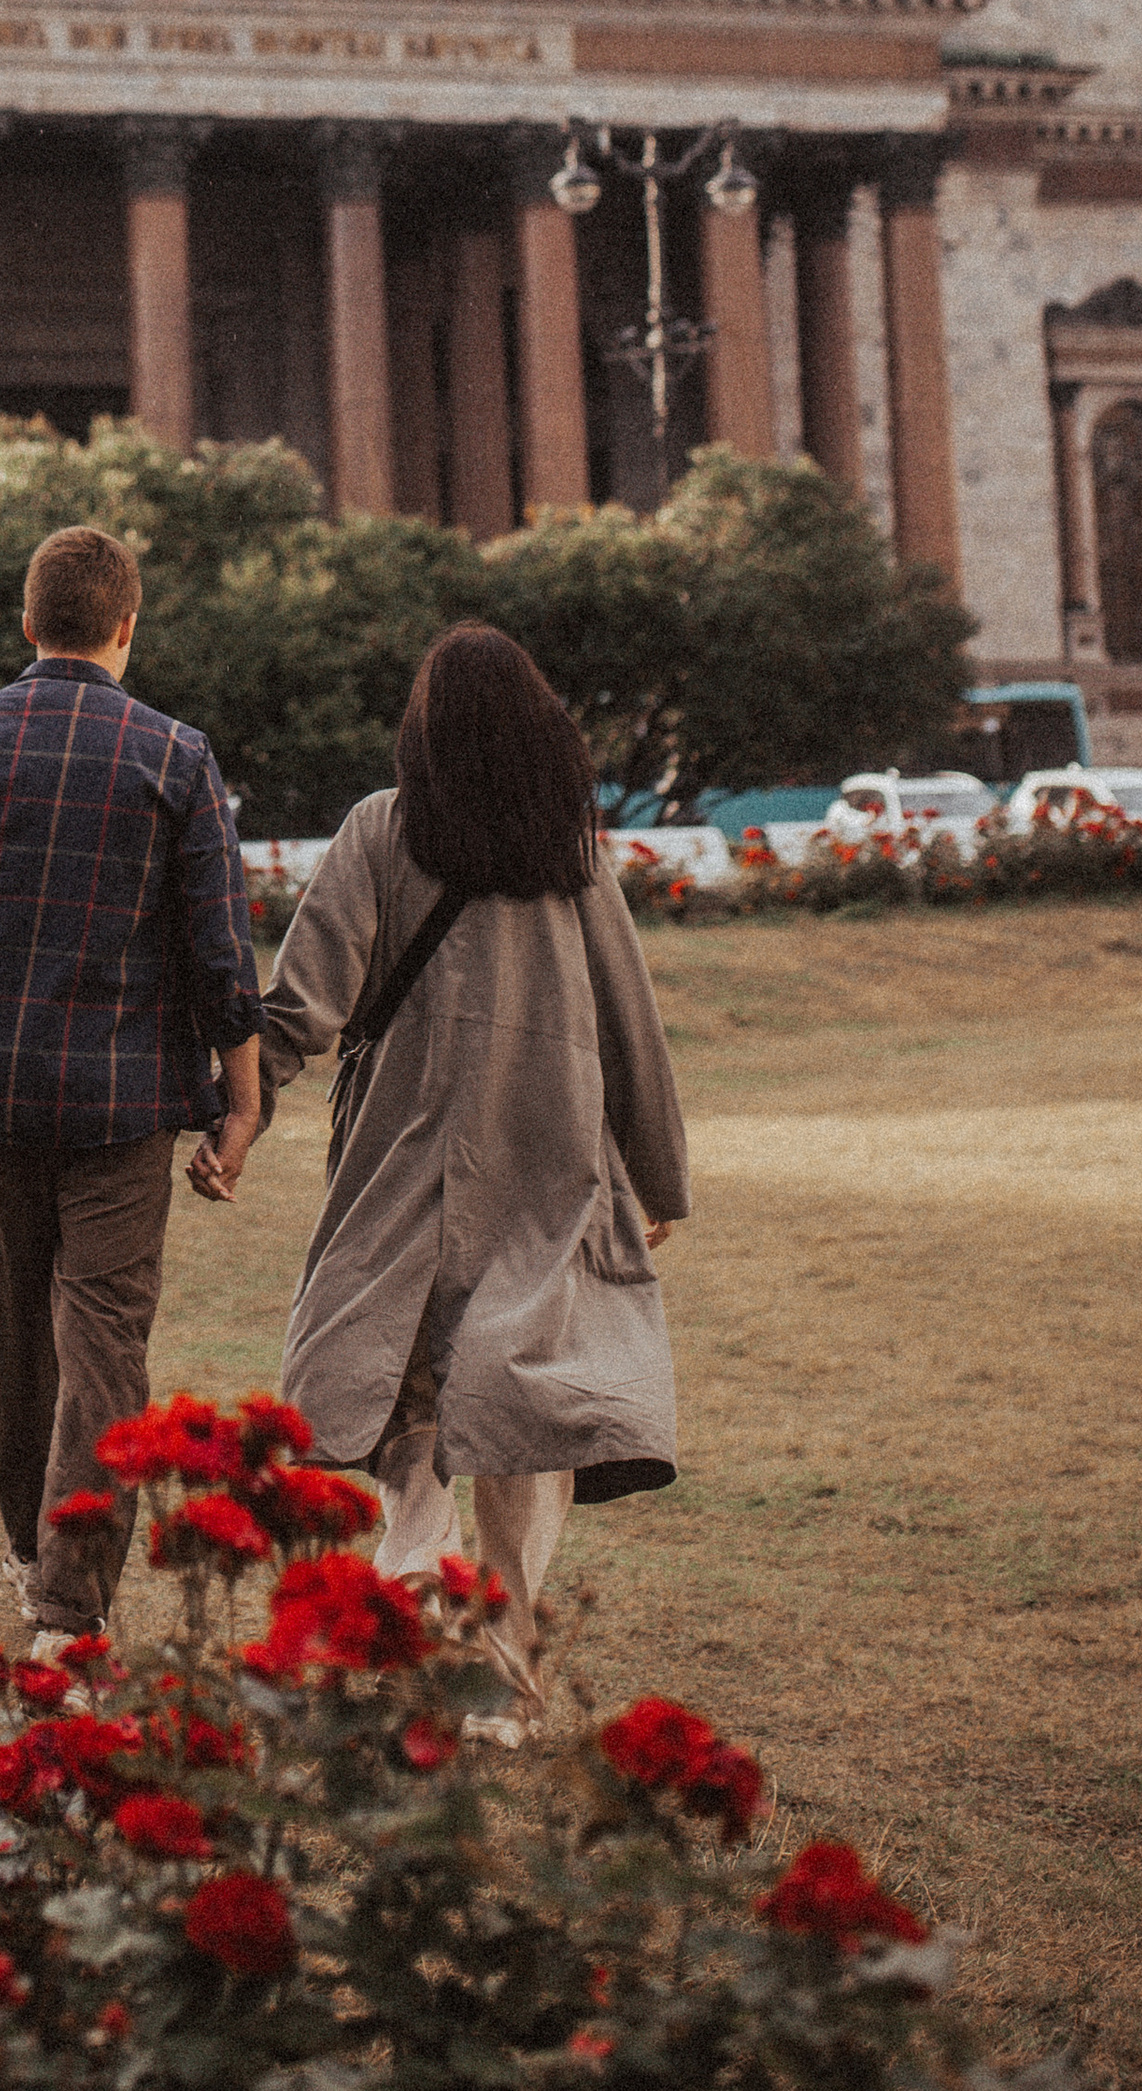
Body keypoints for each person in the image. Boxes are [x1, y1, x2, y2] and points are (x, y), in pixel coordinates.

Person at [227, 622, 688, 1716]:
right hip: (551, 1172)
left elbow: (304, 1000)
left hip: (408, 1165)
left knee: (409, 1398)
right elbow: (634, 1023)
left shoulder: (382, 829)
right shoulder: (567, 846)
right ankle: (497, 1682)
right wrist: (657, 1176)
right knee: (527, 1419)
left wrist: (237, 1104)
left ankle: (397, 1615)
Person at [0, 524, 264, 1656]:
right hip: (122, 1102)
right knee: (105, 1342)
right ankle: (68, 1606)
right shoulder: (175, 756)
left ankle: (27, 1554)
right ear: (127, 625)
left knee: (14, 1336)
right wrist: (237, 1104)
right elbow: (219, 953)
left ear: (26, 622)